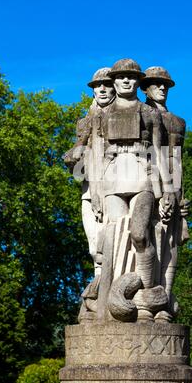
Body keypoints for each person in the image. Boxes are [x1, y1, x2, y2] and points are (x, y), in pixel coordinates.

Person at [97, 59, 175, 320]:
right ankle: (115, 304)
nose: (126, 81)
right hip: (113, 176)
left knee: (140, 235)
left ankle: (149, 294)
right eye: (121, 78)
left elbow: (159, 153)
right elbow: (97, 156)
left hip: (142, 174)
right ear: (115, 81)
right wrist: (97, 193)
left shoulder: (149, 113)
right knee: (111, 240)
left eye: (131, 78)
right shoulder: (103, 115)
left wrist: (166, 191)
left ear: (138, 81)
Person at [141, 66, 189, 321]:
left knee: (171, 241)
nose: (161, 88)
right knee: (150, 237)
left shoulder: (178, 121)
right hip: (148, 180)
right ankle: (150, 300)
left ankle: (166, 301)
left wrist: (179, 193)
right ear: (146, 88)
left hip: (174, 182)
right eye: (156, 84)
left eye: (165, 85)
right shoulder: (143, 114)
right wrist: (160, 189)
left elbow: (177, 159)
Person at [63, 67, 115, 276]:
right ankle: (99, 288)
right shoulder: (85, 121)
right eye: (97, 86)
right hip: (89, 190)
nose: (101, 89)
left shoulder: (121, 117)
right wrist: (74, 155)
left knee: (111, 246)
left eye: (106, 85)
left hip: (114, 189)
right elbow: (75, 155)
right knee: (94, 248)